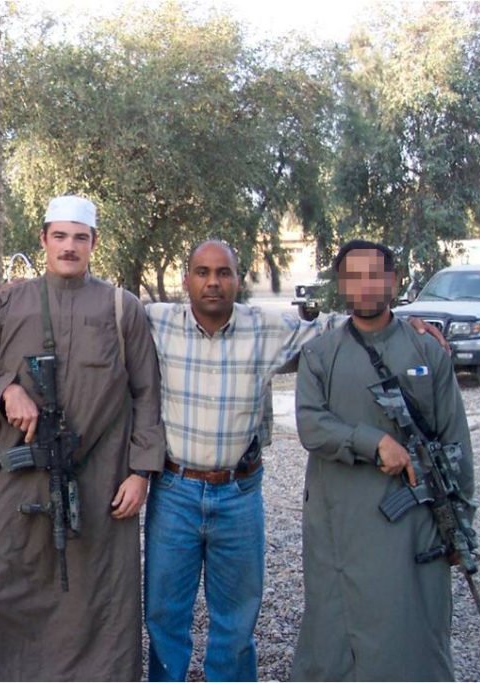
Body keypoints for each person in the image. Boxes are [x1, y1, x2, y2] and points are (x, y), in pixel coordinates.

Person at [0, 195, 166, 681]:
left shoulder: (121, 308)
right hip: (16, 481)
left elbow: (146, 394)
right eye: (61, 236)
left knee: (98, 600)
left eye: (80, 238)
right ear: (44, 239)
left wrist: (140, 473)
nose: (70, 247)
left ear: (93, 244)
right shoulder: (9, 301)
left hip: (98, 483)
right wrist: (6, 391)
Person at [143, 239, 337, 681]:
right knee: (164, 615)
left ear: (237, 278)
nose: (213, 282)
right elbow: (100, 318)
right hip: (175, 493)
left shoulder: (264, 328)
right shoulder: (156, 322)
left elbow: (335, 328)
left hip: (238, 495)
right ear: (186, 278)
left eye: (224, 272)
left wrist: (411, 325)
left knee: (236, 620)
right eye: (203, 272)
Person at [291, 240, 474, 681]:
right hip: (341, 522)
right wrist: (373, 443)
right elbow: (311, 426)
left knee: (413, 629)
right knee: (336, 634)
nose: (365, 285)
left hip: (414, 523)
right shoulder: (320, 354)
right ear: (340, 285)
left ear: (393, 280)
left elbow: (456, 441)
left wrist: (461, 525)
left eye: (375, 274)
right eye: (353, 276)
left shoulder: (428, 351)